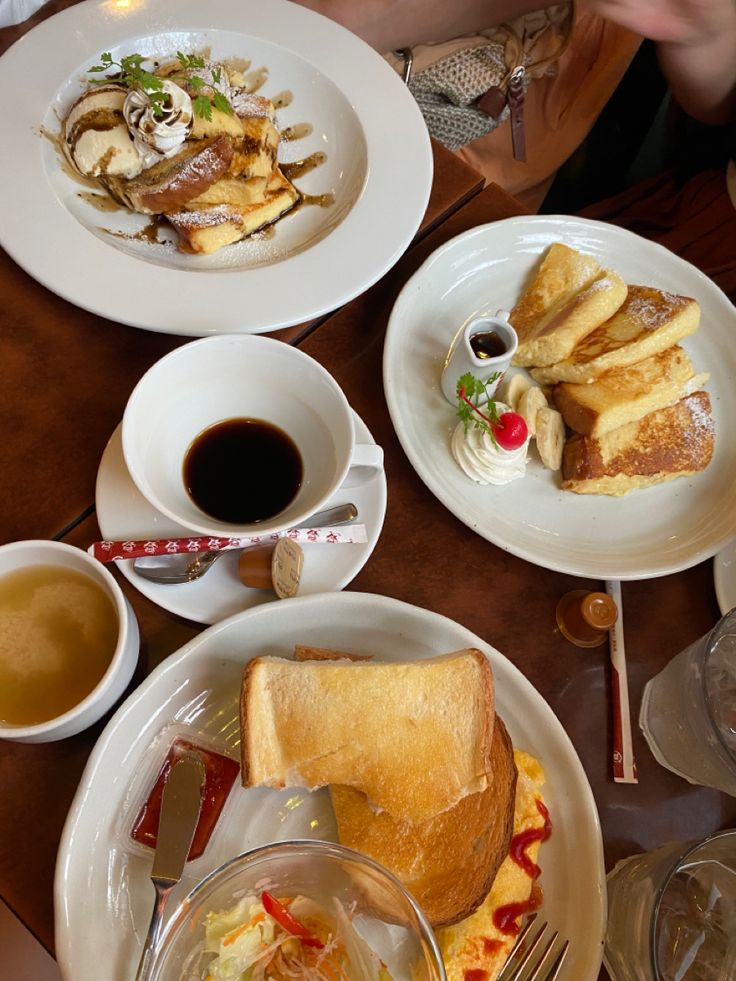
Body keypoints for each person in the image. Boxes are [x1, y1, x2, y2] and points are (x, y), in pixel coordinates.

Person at [297, 0, 736, 212]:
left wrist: (701, 29)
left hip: (489, 198)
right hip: (316, 137)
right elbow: (313, 20)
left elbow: (716, 104)